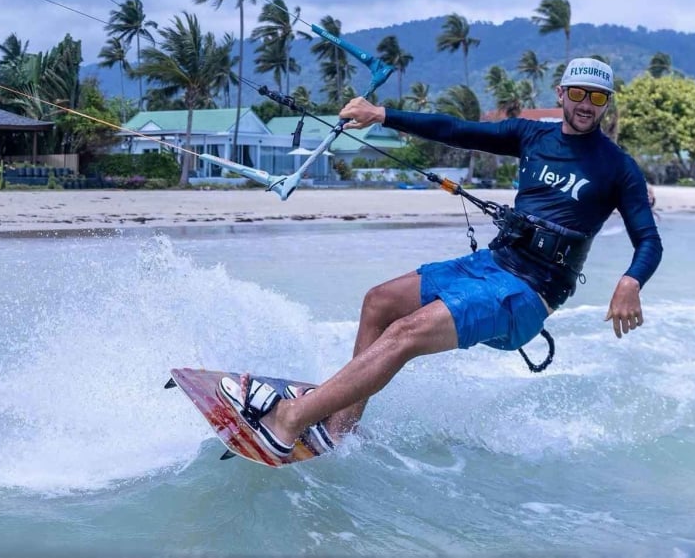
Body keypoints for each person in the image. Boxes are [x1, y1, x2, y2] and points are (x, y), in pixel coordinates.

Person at [228, 58, 663, 460]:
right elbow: (455, 128)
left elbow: (649, 240)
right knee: (379, 302)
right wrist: (383, 115)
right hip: (493, 265)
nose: (587, 105)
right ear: (561, 93)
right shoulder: (533, 135)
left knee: (405, 333)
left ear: (607, 104)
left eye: (598, 97)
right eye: (579, 93)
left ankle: (289, 421)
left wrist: (630, 281)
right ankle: (339, 427)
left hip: (529, 293)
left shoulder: (618, 168)